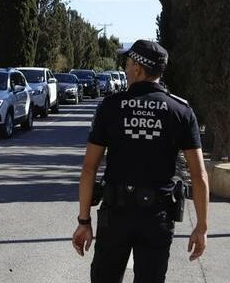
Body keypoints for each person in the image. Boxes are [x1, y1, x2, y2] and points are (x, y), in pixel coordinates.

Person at [71, 40, 210, 283]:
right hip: (156, 218)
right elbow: (199, 176)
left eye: (127, 63)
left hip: (116, 215)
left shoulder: (111, 107)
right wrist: (201, 227)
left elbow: (89, 168)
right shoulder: (180, 111)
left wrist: (84, 221)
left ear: (137, 68)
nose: (125, 69)